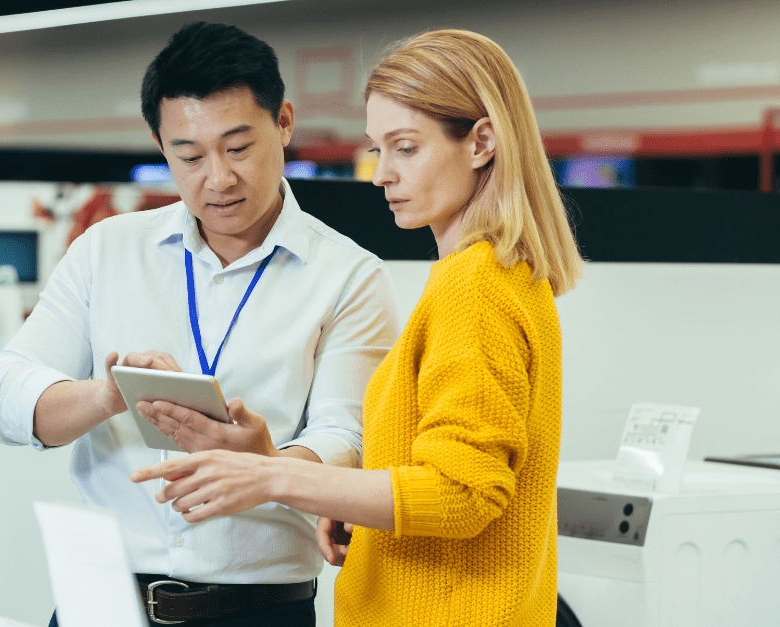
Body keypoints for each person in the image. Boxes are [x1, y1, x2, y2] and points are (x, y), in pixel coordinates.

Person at [132, 29, 584, 627]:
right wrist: (356, 501)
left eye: (405, 149)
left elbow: (463, 494)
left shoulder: (473, 286)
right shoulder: (508, 274)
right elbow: (448, 477)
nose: (381, 175)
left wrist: (271, 476)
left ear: (481, 143)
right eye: (379, 149)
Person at [0, 21, 402, 627]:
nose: (218, 178)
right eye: (189, 155)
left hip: (258, 609)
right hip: (100, 602)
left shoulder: (349, 275)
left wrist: (269, 465)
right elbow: (3, 396)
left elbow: (354, 438)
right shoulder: (109, 250)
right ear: (159, 143)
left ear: (284, 122)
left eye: (238, 148)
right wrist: (107, 395)